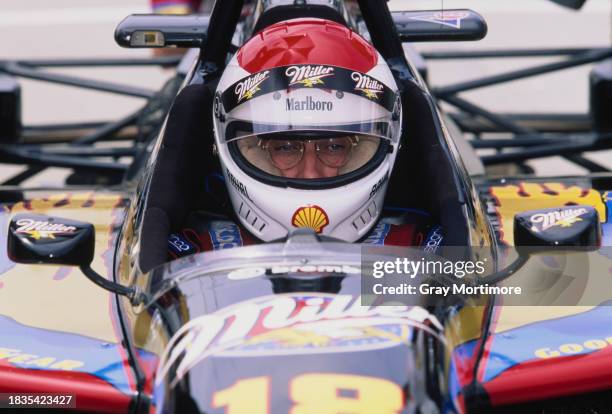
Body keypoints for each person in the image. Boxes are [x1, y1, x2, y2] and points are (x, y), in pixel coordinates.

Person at [167, 18, 442, 259]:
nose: (311, 172)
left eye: (334, 146)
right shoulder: (195, 249)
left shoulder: (417, 246)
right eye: (284, 147)